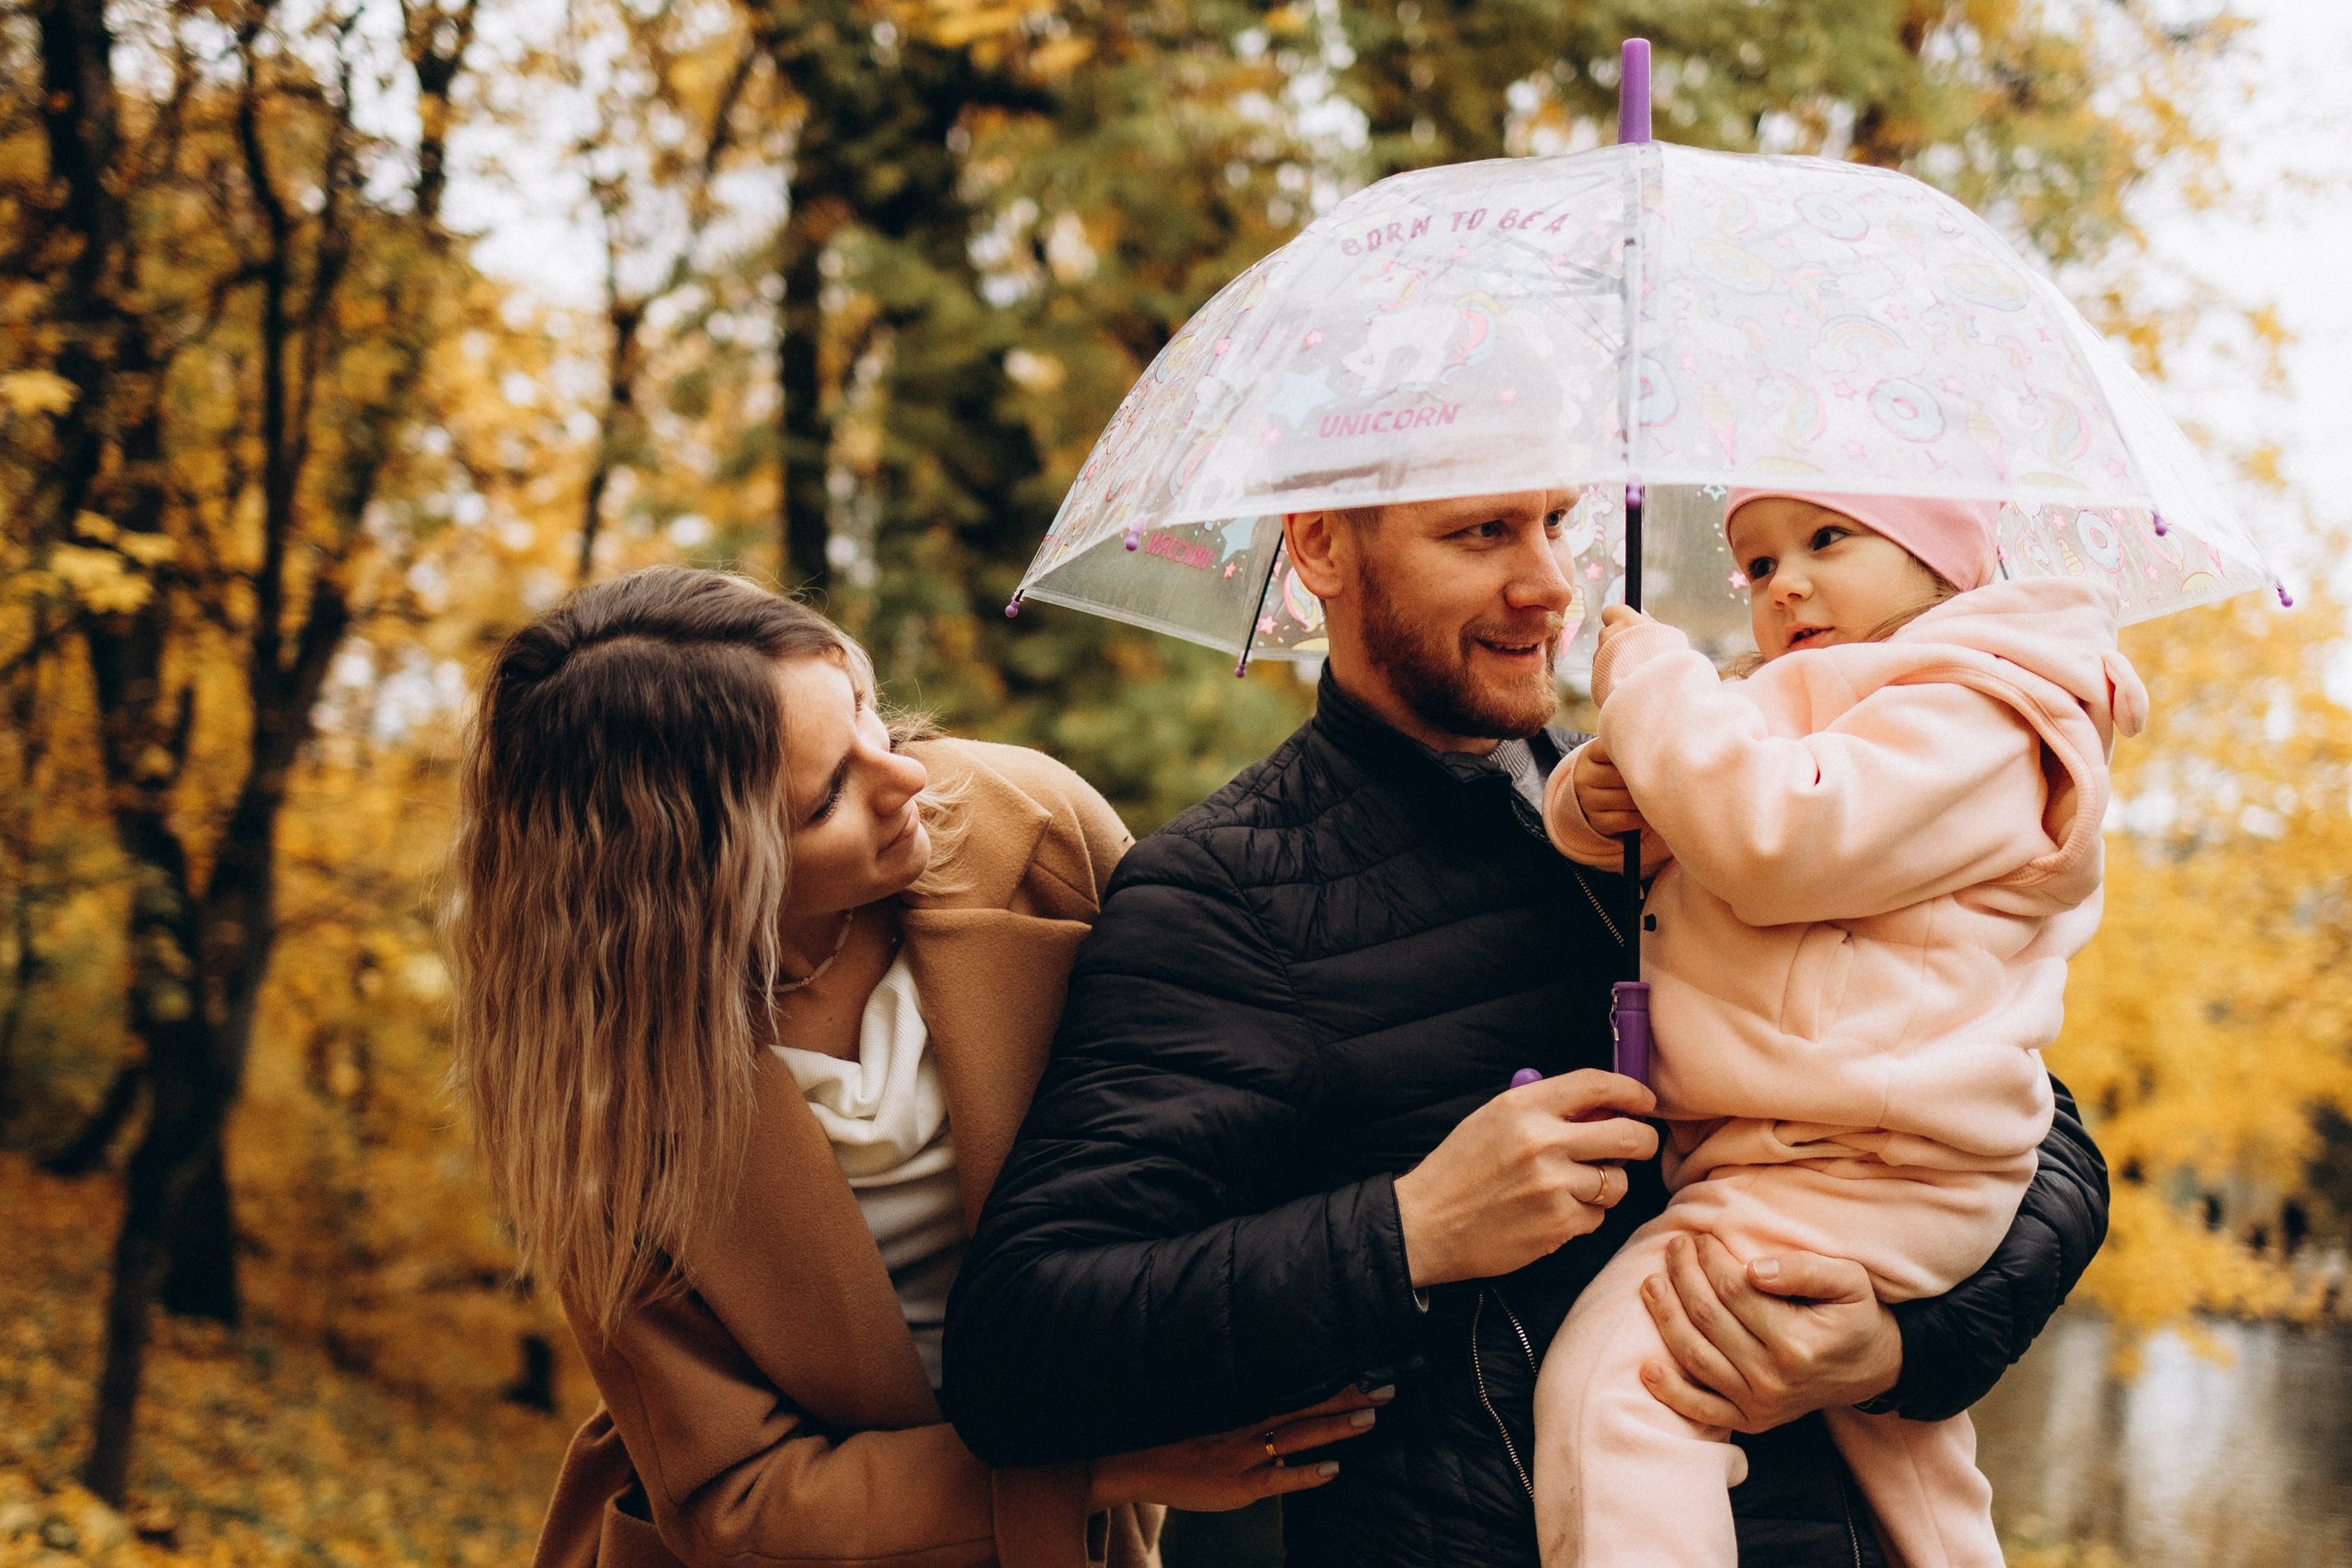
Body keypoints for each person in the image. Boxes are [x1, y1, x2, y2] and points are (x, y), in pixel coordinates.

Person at [943, 492, 2110, 1568]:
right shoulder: (1226, 895)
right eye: (1481, 533)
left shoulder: (1691, 788)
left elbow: (2028, 1118)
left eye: (1558, 520)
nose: (1550, 581)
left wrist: (1911, 1347)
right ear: (1321, 547)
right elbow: (1021, 1354)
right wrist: (1409, 1231)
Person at [444, 567, 1378, 1568]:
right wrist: (1098, 1468)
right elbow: (735, 1498)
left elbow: (1226, 1093)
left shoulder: (1033, 829)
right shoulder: (604, 1093)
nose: (909, 779)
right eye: (827, 798)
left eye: (868, 720)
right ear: (697, 886)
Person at [1531, 491, 2143, 1567]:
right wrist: (1598, 795)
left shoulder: (1983, 714)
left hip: (1860, 1162)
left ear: (1946, 565)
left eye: (1827, 541)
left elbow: (1775, 838)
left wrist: (1650, 681)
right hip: (1831, 1151)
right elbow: (1700, 827)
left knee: (1617, 1390)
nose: (1786, 585)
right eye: (1756, 567)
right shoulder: (1829, 705)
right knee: (1914, 1467)